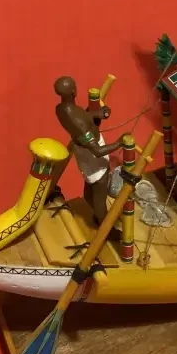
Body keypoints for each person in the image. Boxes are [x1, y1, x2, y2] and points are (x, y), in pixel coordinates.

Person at [53, 76, 125, 240]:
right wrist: (119, 142)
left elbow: (81, 118)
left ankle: (99, 216)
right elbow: (97, 151)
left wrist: (96, 114)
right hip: (93, 157)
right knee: (99, 192)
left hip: (83, 152)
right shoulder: (79, 123)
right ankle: (107, 229)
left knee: (88, 192)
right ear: (74, 91)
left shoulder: (61, 109)